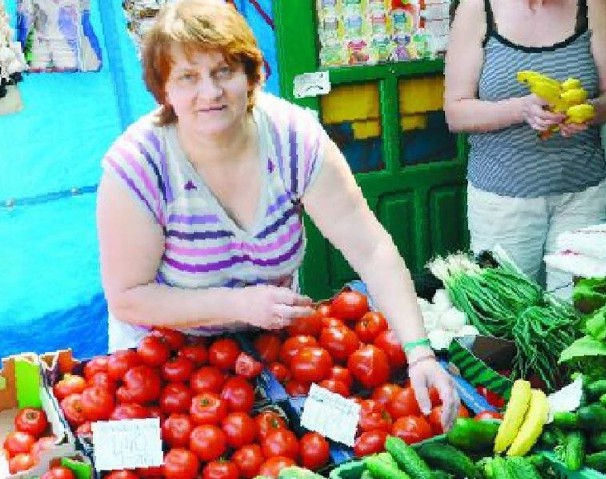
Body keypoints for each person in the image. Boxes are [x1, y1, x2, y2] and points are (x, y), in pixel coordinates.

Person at [96, 0, 459, 429]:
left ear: (251, 74)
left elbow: (371, 247)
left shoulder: (292, 137)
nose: (210, 92)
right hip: (167, 364)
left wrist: (418, 349)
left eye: (224, 71)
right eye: (188, 77)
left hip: (267, 346)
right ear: (163, 90)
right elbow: (128, 296)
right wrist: (239, 302)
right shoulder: (139, 167)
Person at [444, 0, 606, 295]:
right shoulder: (477, 8)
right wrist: (522, 110)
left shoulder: (592, 6)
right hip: (503, 200)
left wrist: (589, 110)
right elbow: (456, 113)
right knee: (505, 314)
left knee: (577, 313)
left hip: (584, 194)